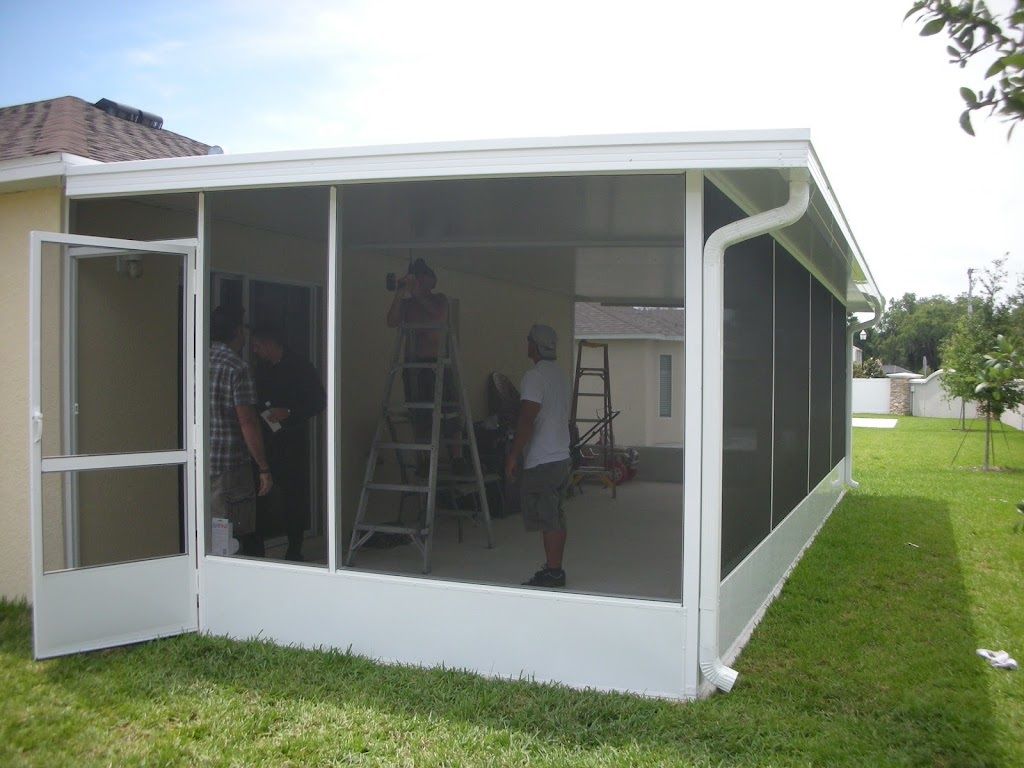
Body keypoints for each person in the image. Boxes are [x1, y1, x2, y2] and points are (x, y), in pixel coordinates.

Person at [251, 324, 327, 562]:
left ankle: (294, 549)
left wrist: (290, 412)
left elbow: (319, 401)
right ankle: (257, 551)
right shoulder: (261, 369)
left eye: (257, 346)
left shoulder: (300, 367)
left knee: (293, 496)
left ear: (269, 343)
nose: (254, 351)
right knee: (260, 495)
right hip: (265, 440)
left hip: (291, 441)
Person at [505, 324, 571, 587]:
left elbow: (527, 419)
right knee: (555, 515)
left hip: (543, 459)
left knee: (548, 518)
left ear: (535, 345)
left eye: (528, 340)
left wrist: (513, 455)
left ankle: (554, 572)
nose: (526, 344)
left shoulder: (534, 376)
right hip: (561, 455)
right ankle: (555, 568)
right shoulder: (560, 375)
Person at [385, 258, 464, 467]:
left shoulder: (439, 300)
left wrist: (417, 292)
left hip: (437, 364)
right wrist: (400, 292)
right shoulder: (408, 304)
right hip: (414, 367)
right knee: (419, 414)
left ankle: (456, 458)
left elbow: (438, 316)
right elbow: (391, 321)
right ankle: (425, 458)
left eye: (421, 278)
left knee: (451, 412)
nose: (418, 282)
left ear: (429, 280)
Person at [209, 304, 272, 556]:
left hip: (201, 462)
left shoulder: (196, 360)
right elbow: (247, 421)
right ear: (237, 331)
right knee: (234, 531)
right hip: (230, 466)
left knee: (208, 530)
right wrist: (263, 467)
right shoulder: (236, 367)